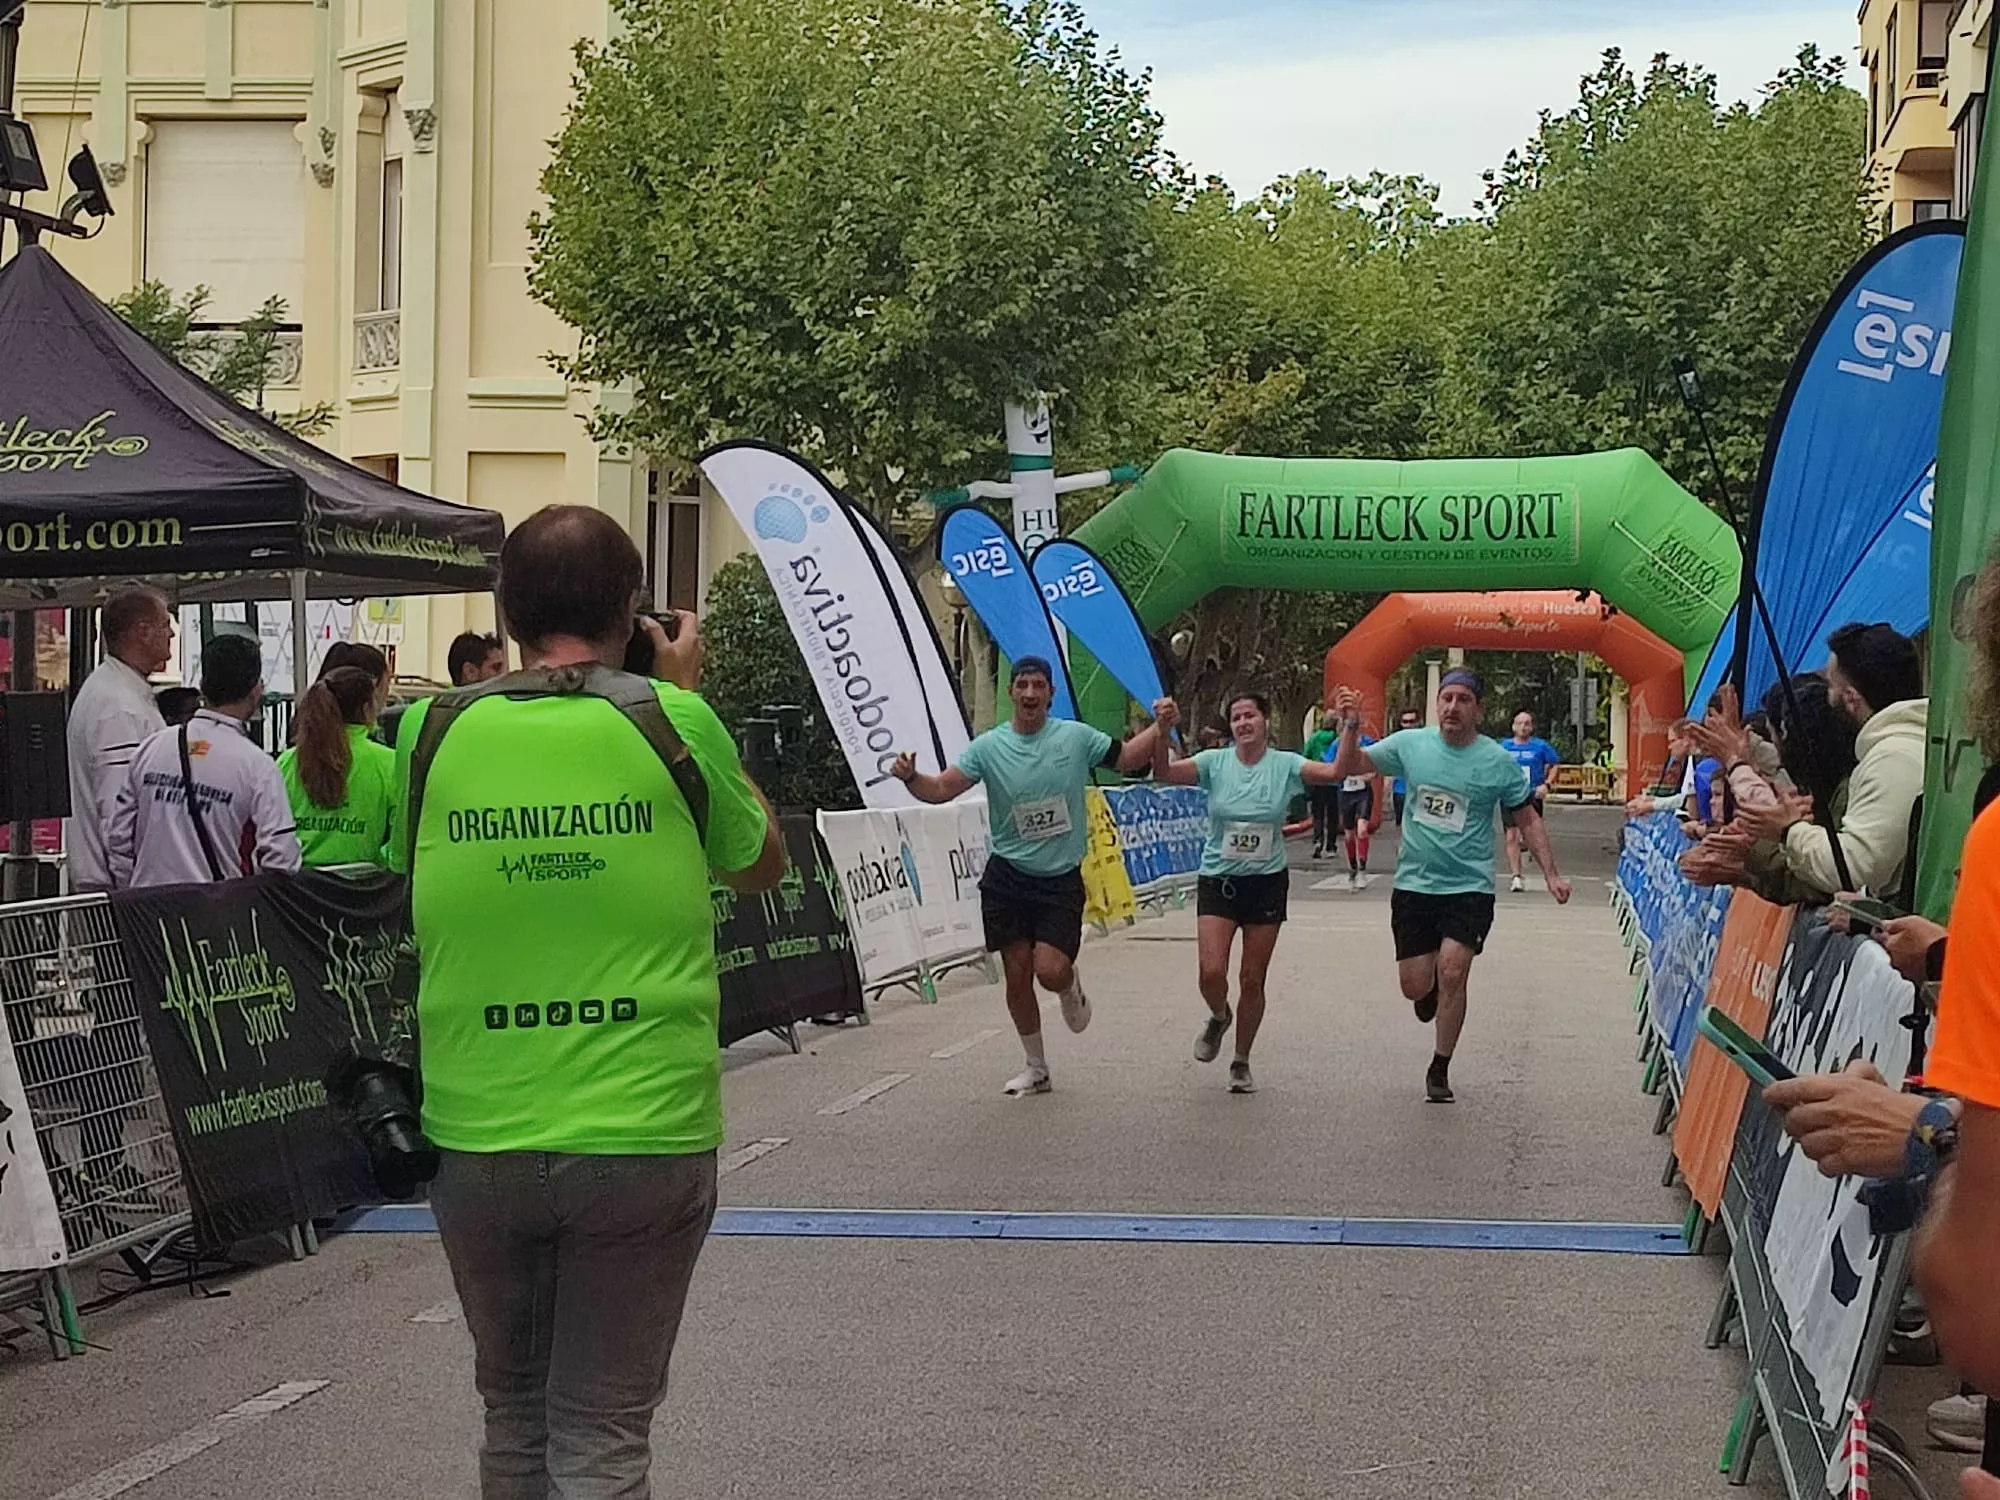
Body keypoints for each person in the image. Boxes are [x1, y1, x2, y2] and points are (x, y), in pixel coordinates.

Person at [392, 505, 784, 1499]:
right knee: (602, 1432)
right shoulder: (671, 720)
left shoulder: (430, 731)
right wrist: (683, 696)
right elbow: (758, 863)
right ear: (632, 610)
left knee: (514, 1414)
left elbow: (405, 870)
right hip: (642, 1130)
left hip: (477, 1130)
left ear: (508, 611)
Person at [893, 658, 1169, 1096]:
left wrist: (1159, 727)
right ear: (1011, 693)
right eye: (1022, 685)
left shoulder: (1075, 737)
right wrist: (911, 778)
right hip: (1008, 876)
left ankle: (1069, 985)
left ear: (1050, 694)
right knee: (1017, 973)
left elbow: (1127, 758)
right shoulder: (989, 747)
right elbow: (942, 788)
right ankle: (1036, 1067)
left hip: (1059, 878)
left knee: (1050, 971)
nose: (1029, 693)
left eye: (1038, 686)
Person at [1329, 670, 1572, 1102]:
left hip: (1469, 886)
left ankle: (1440, 1066)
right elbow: (1350, 766)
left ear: (1478, 709)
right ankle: (1430, 991)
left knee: (1454, 970)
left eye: (1463, 700)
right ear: (1436, 704)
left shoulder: (1496, 760)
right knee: (1414, 985)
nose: (1453, 707)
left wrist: (1551, 873)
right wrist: (1350, 725)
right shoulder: (1411, 745)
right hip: (1415, 884)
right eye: (1446, 698)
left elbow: (1528, 818)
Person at [1151, 692, 1349, 1093]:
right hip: (1219, 878)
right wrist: (1161, 730)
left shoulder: (1285, 765)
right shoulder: (1214, 762)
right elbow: (1164, 772)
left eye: (1250, 716)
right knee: (1211, 972)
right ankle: (1219, 1015)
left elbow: (1334, 773)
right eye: (1236, 718)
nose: (1243, 723)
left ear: (1265, 721)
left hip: (1266, 881)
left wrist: (1352, 726)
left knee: (1252, 978)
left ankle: (1241, 1060)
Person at [1735, 622, 1926, 899]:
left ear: (1851, 699)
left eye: (1830, 686)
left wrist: (1789, 830)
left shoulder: (1892, 759)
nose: (1825, 697)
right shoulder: (1903, 747)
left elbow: (1853, 868)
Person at [105, 634, 302, 888]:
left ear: (202, 686)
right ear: (256, 690)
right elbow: (282, 857)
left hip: (148, 904)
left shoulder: (151, 748)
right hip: (219, 906)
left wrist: (134, 892)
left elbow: (119, 838)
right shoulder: (258, 767)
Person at [65, 588, 174, 892]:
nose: (172, 633)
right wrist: (134, 890)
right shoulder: (118, 706)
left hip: (114, 885)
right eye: (165, 624)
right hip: (117, 891)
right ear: (143, 631)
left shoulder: (117, 692)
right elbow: (118, 812)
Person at [278, 664, 397, 867]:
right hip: (364, 880)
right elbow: (400, 837)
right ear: (366, 708)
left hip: (297, 881)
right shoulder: (388, 763)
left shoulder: (288, 761)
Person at [1501, 710, 1563, 892]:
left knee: (1530, 835)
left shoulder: (1540, 746)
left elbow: (1555, 764)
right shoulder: (1504, 746)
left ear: (1532, 727)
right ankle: (1516, 876)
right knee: (1511, 835)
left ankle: (1527, 847)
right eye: (1520, 723)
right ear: (1513, 726)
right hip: (1510, 793)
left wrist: (1547, 785)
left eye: (1527, 723)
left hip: (1532, 794)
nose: (1523, 727)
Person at [1335, 730, 1381, 890]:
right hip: (1345, 793)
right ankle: (1352, 867)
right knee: (1349, 834)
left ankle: (1362, 868)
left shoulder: (1367, 743)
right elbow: (1329, 765)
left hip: (1363, 793)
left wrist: (1370, 774)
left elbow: (1377, 763)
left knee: (1362, 830)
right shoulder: (1337, 745)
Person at [1304, 707, 1338, 859]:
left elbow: (1306, 755)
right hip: (1334, 780)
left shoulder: (1314, 738)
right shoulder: (1338, 739)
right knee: (1332, 815)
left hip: (1317, 779)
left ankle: (1318, 840)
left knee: (1318, 814)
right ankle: (1331, 846)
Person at [1389, 707, 1420, 823]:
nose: (1408, 725)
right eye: (1405, 722)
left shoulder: (1425, 741)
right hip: (1400, 790)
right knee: (1401, 823)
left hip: (1419, 792)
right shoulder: (1394, 741)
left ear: (1418, 723)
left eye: (1412, 722)